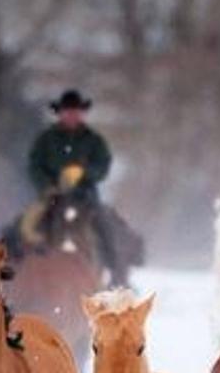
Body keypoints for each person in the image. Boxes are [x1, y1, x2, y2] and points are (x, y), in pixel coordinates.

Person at [10, 89, 136, 285]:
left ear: (82, 113)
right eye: (67, 111)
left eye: (75, 111)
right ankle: (7, 272)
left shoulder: (94, 140)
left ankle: (118, 278)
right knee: (21, 227)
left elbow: (103, 166)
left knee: (107, 230)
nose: (72, 115)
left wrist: (84, 173)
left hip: (86, 198)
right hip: (51, 197)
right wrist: (47, 186)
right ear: (59, 113)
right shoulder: (46, 139)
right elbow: (34, 166)